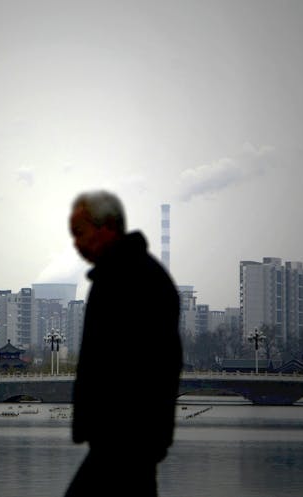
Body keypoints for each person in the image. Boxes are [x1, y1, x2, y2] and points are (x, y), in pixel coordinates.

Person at [65, 191, 182, 497]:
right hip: (125, 440)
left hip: (125, 439)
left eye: (79, 232)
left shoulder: (131, 279)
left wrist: (122, 433)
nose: (75, 243)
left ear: (105, 228)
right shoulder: (122, 275)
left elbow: (156, 365)